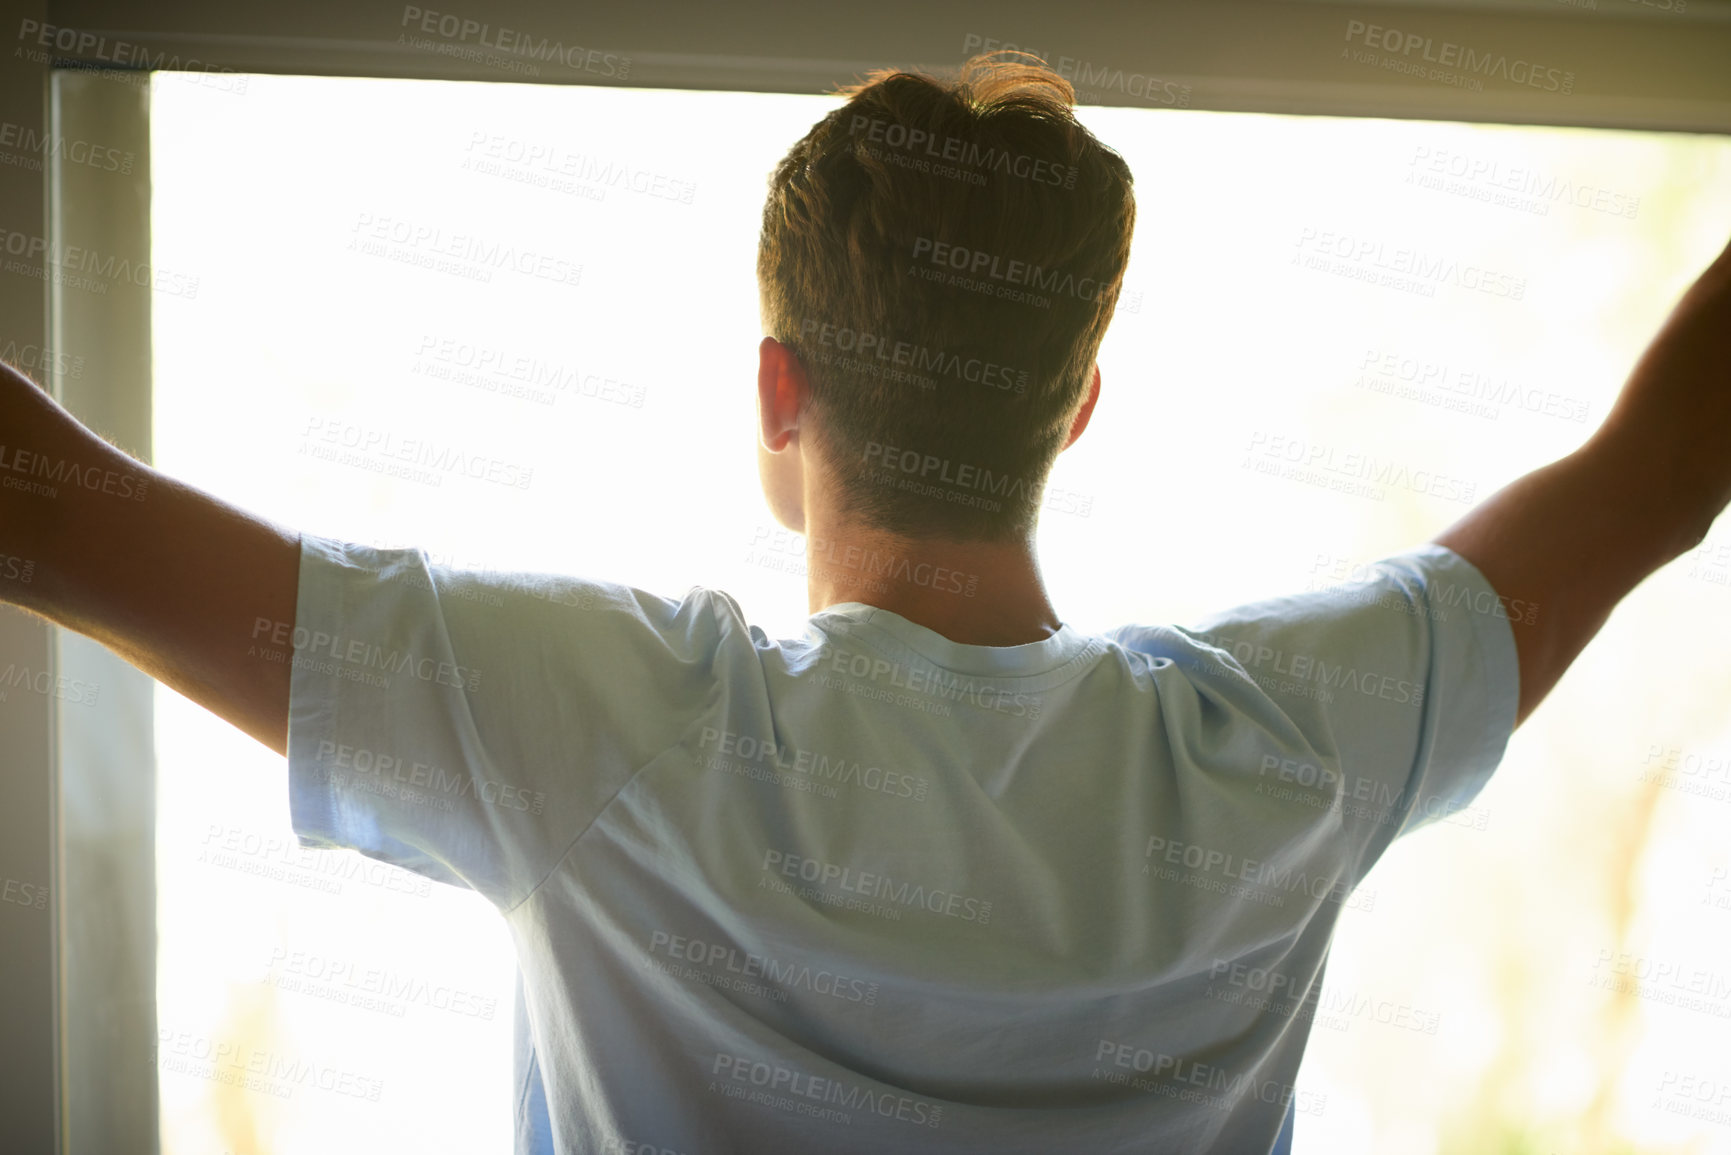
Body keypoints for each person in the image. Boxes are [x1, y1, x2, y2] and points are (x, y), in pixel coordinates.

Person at [2, 50, 1727, 1154]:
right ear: (1075, 409)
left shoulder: (598, 719)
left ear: (778, 390)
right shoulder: (1282, 747)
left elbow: (55, 515)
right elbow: (1664, 466)